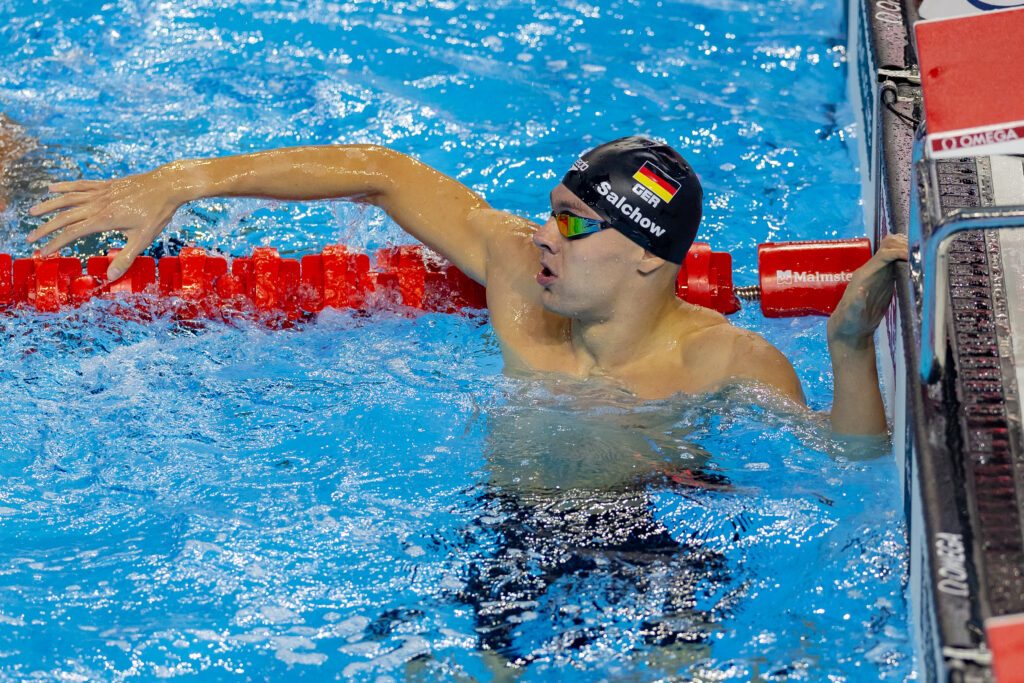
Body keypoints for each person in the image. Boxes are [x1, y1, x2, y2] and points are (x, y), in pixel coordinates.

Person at [25, 135, 907, 435]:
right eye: (547, 210)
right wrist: (185, 179)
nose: (541, 234)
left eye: (571, 221)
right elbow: (382, 173)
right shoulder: (521, 277)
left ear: (648, 253)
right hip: (505, 529)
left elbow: (845, 457)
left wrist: (847, 349)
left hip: (662, 531)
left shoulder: (725, 356)